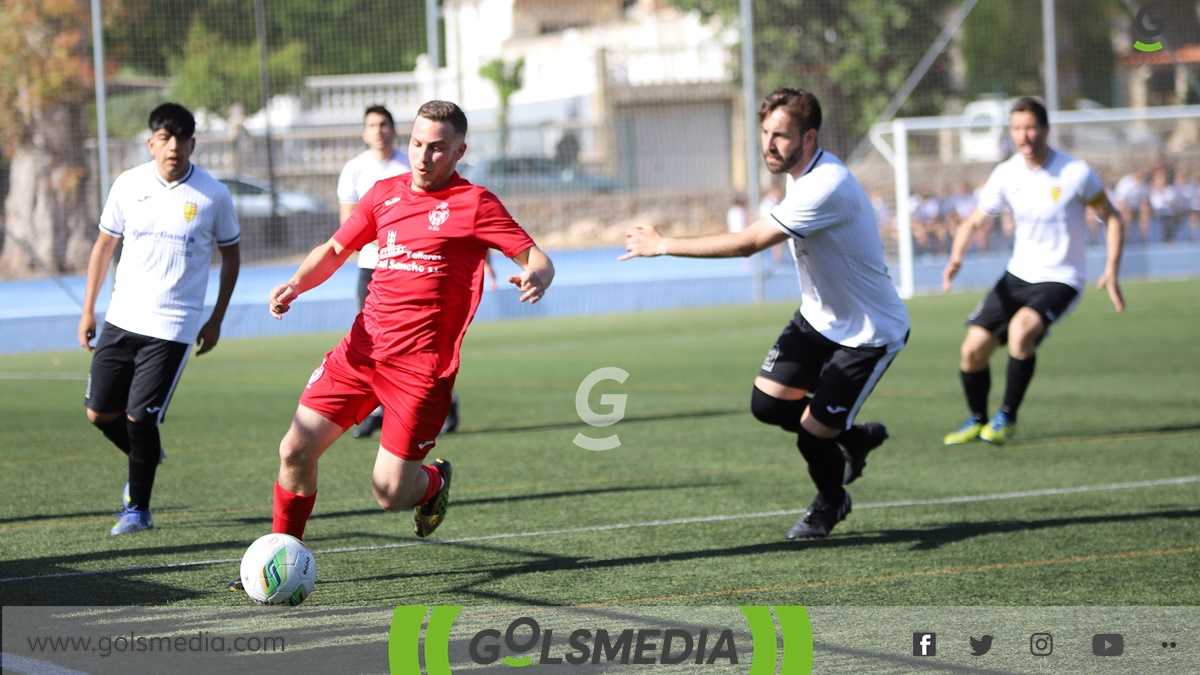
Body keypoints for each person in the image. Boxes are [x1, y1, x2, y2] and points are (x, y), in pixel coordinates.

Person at [230, 100, 552, 589]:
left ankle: (435, 482)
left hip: (420, 371)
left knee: (388, 492)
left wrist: (536, 276)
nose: (423, 157)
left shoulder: (476, 204)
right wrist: (296, 283)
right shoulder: (384, 194)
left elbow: (536, 256)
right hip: (360, 352)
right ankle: (280, 556)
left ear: (460, 151)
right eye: (417, 144)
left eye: (437, 148)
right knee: (295, 450)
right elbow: (337, 248)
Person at [621, 87, 909, 539]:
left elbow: (748, 243)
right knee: (768, 404)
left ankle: (831, 502)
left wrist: (663, 245)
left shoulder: (824, 185)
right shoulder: (801, 175)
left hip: (868, 332)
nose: (769, 144)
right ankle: (852, 439)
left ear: (809, 136)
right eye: (764, 132)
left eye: (781, 135)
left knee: (813, 436)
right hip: (818, 318)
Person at [78, 102, 241, 535]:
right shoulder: (128, 184)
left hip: (173, 327)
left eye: (181, 139)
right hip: (120, 317)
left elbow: (231, 256)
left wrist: (216, 318)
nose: (173, 147)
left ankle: (138, 509)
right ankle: (145, 454)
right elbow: (103, 248)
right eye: (164, 138)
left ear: (192, 144)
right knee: (99, 414)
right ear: (151, 143)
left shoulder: (213, 194)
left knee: (139, 418)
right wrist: (88, 309)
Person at [942, 97, 1125, 446]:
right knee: (972, 349)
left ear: (1045, 129)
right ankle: (977, 420)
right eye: (1016, 129)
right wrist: (956, 257)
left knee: (1021, 330)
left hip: (1062, 277)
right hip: (1017, 276)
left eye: (1029, 128)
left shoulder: (1076, 173)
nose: (1023, 136)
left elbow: (1112, 217)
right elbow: (974, 221)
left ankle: (1006, 418)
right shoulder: (1007, 173)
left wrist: (1111, 269)